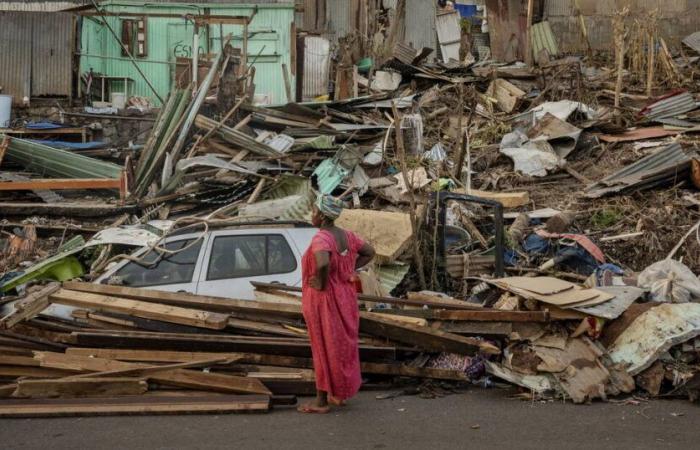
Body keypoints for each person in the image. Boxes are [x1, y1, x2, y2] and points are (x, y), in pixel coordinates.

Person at [297, 194, 376, 414]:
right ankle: (338, 394)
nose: (311, 215)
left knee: (322, 347)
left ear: (322, 216)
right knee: (341, 347)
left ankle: (321, 402)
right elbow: (369, 252)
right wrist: (349, 270)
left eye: (314, 211)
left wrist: (321, 282)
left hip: (325, 300)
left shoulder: (322, 238)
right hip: (345, 297)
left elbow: (322, 262)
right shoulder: (348, 236)